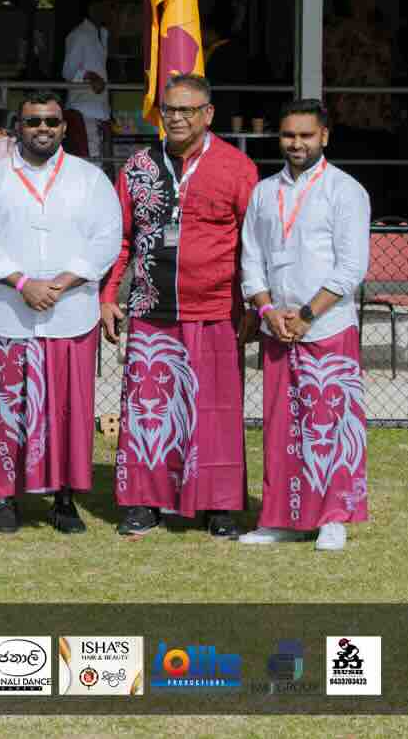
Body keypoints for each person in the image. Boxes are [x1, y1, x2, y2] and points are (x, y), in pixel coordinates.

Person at [102, 72, 258, 539]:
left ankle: (220, 507)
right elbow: (121, 239)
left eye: (187, 110)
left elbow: (255, 244)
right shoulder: (138, 168)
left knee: (217, 414)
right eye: (169, 109)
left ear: (207, 114)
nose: (176, 118)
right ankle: (145, 503)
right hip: (151, 310)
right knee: (150, 411)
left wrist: (253, 303)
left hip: (216, 311)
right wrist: (108, 295)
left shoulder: (236, 168)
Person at [0, 90, 122, 534]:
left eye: (51, 121)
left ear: (64, 127)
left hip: (71, 314)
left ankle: (64, 498)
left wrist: (61, 283)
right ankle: (5, 499)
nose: (43, 130)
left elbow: (107, 238)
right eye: (33, 122)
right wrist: (22, 283)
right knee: (6, 411)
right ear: (18, 127)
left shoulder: (89, 179)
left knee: (68, 412)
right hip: (9, 314)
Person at [238, 101, 372, 551]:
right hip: (278, 327)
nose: (296, 144)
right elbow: (251, 259)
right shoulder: (263, 192)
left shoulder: (345, 191)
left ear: (325, 137)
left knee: (330, 424)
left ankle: (333, 517)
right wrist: (266, 310)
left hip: (327, 326)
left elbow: (351, 267)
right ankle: (281, 517)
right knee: (280, 427)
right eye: (288, 135)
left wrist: (308, 313)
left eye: (306, 136)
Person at [323, 0, 396, 210]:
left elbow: (393, 67)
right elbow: (323, 69)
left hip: (379, 116)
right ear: (349, 1)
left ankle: (378, 229)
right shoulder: (334, 31)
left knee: (377, 177)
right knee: (347, 176)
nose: (366, 3)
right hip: (346, 114)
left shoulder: (381, 32)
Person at [62, 0, 116, 160]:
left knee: (102, 161)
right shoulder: (79, 35)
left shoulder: (102, 34)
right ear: (94, 8)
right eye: (108, 7)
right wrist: (88, 75)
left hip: (101, 110)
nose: (111, 12)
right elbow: (68, 71)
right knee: (90, 162)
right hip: (84, 110)